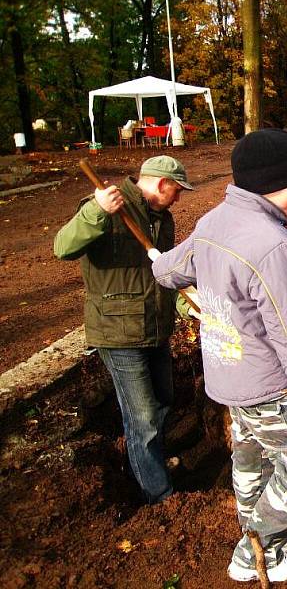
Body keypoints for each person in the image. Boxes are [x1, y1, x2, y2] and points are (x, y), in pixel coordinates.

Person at [151, 129, 287, 584]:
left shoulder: (215, 221)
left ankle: (262, 532)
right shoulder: (272, 244)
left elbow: (170, 271)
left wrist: (159, 260)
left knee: (251, 456)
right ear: (274, 183)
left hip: (228, 377)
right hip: (269, 383)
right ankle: (256, 549)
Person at [54, 155, 194, 505]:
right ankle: (159, 496)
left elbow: (160, 271)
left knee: (162, 403)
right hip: (118, 331)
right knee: (143, 417)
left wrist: (186, 304)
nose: (178, 198)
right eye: (176, 191)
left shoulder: (163, 217)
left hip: (155, 326)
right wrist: (96, 212)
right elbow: (62, 248)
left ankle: (146, 466)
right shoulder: (104, 205)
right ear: (162, 184)